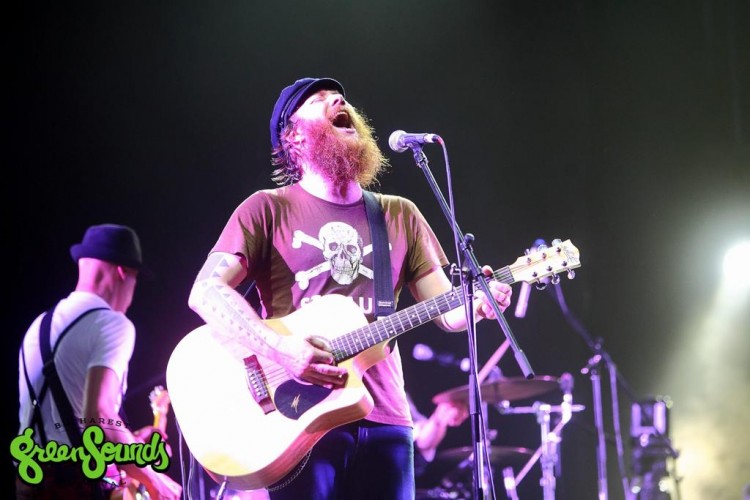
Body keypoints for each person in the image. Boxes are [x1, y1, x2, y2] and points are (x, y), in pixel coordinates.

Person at [187, 77, 513, 499]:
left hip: (386, 419)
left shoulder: (399, 214)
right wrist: (280, 349)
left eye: (339, 97)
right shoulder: (266, 209)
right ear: (292, 137)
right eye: (319, 100)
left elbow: (446, 312)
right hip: (300, 419)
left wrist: (477, 305)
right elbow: (206, 292)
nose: (339, 100)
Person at [15, 224, 182, 500]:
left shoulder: (38, 326)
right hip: (77, 486)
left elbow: (66, 421)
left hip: (29, 482)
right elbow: (99, 418)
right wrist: (155, 481)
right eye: (136, 279)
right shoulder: (112, 323)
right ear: (123, 272)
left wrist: (129, 439)